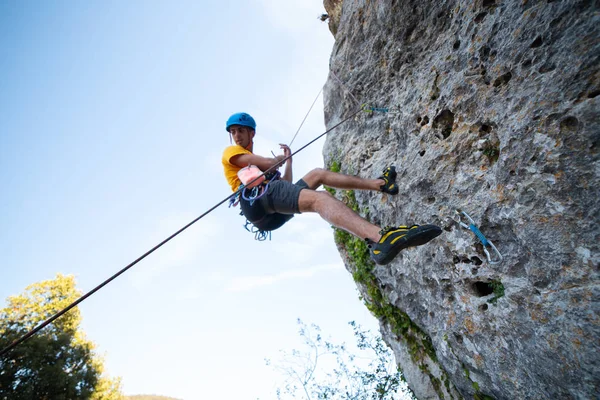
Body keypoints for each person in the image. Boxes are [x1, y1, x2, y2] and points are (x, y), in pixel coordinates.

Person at [221, 112, 442, 265]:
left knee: (318, 174)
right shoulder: (231, 152)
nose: (237, 135)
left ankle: (380, 184)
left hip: (270, 211)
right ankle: (380, 238)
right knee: (320, 199)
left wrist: (288, 162)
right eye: (234, 131)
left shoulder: (261, 170)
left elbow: (286, 189)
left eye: (241, 130)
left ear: (252, 134)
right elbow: (268, 164)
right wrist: (277, 159)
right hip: (255, 201)